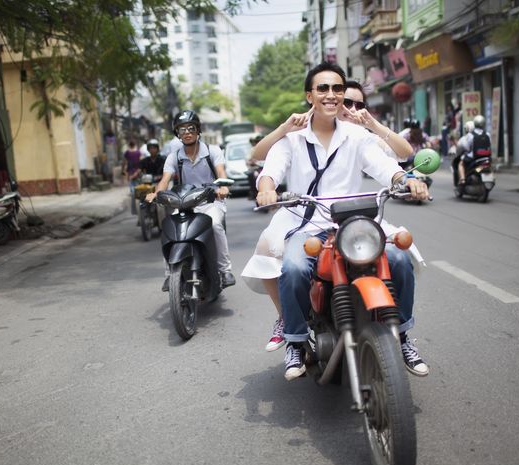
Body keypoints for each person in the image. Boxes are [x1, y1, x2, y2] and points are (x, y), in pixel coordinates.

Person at [247, 62, 429, 380]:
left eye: (337, 88)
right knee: (294, 268)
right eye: (323, 88)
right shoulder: (292, 138)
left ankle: (402, 336)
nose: (331, 94)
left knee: (399, 260)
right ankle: (296, 340)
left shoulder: (357, 136)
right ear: (310, 95)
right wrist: (266, 189)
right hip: (308, 225)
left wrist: (406, 180)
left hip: (354, 224)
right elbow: (270, 170)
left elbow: (386, 167)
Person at [145, 110, 236, 289]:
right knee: (168, 228)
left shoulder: (212, 151)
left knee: (215, 225)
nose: (187, 132)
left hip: (211, 202)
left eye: (191, 128)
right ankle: (170, 274)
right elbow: (165, 180)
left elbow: (221, 172)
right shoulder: (174, 157)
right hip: (185, 204)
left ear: (198, 130)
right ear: (177, 134)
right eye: (182, 129)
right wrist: (156, 193)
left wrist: (223, 187)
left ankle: (225, 270)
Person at [458, 115, 492, 185]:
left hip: (474, 157)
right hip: (486, 158)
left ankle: (462, 180)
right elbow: (489, 144)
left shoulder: (471, 135)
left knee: (461, 163)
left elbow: (466, 147)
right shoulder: (487, 134)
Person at [452, 120, 475, 186]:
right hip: (481, 157)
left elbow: (459, 149)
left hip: (470, 157)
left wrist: (457, 154)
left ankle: (462, 179)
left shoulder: (465, 138)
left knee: (460, 164)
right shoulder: (482, 135)